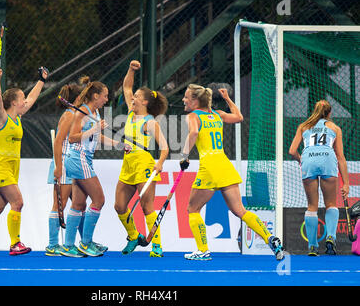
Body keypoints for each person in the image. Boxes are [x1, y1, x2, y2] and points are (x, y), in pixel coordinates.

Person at [180, 84, 284, 261]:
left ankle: (203, 250)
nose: (183, 99)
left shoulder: (192, 116)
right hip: (224, 164)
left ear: (196, 101)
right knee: (241, 211)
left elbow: (194, 132)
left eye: (186, 97)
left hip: (210, 166)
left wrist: (184, 156)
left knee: (193, 209)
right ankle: (270, 238)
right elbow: (239, 117)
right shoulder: (217, 115)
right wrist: (228, 99)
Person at [0, 65, 49, 256]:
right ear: (13, 102)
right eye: (21, 98)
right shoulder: (1, 119)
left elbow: (32, 99)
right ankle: (15, 243)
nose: (25, 100)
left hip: (13, 168)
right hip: (1, 167)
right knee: (18, 202)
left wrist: (42, 80)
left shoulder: (18, 117)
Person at [59, 81, 129, 257]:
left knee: (79, 203)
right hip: (77, 158)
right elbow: (73, 138)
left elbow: (97, 138)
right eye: (105, 95)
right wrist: (94, 129)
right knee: (99, 200)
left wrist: (118, 144)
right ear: (96, 96)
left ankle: (68, 245)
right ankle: (85, 243)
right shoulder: (81, 113)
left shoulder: (95, 113)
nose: (107, 99)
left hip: (84, 159)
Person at [114, 60, 169, 257]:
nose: (133, 98)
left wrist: (160, 163)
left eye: (137, 97)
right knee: (119, 206)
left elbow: (165, 147)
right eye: (134, 96)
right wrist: (130, 69)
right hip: (128, 163)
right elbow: (127, 86)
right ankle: (134, 236)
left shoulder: (150, 122)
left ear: (145, 102)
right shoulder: (130, 112)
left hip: (144, 164)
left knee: (147, 207)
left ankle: (156, 245)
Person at [289, 100, 349, 256]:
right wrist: (346, 183)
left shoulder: (304, 126)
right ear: (329, 113)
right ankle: (331, 237)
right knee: (331, 204)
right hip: (328, 161)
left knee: (312, 206)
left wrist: (301, 159)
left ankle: (312, 246)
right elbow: (341, 157)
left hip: (309, 160)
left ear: (314, 110)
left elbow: (292, 151)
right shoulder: (335, 128)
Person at [45, 77, 89, 256]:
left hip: (73, 165)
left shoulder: (76, 115)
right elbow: (57, 143)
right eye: (83, 98)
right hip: (63, 164)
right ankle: (52, 245)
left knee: (80, 204)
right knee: (59, 205)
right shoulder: (69, 115)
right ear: (78, 99)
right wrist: (58, 167)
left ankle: (84, 242)